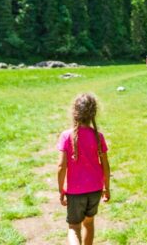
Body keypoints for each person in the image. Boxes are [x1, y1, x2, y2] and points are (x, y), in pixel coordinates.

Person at [57, 93, 111, 245]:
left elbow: (61, 166)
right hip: (95, 189)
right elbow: (106, 166)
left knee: (74, 227)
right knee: (89, 223)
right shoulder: (98, 136)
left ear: (74, 113)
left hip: (75, 192)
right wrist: (107, 188)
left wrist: (61, 189)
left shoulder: (66, 136)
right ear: (93, 113)